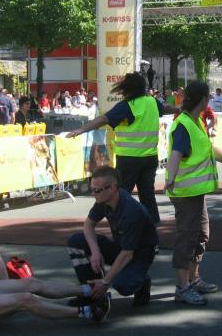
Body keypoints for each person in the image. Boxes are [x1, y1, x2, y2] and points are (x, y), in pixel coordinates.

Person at [165, 81, 222, 305]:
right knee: (187, 237)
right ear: (203, 100)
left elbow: (208, 149)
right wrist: (170, 177)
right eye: (208, 97)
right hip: (185, 193)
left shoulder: (195, 121)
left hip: (195, 192)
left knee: (201, 234)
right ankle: (182, 287)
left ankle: (193, 279)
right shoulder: (184, 124)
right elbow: (176, 153)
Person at [66, 72, 179, 225]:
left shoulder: (127, 106)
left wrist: (80, 130)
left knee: (118, 194)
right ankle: (152, 231)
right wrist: (180, 109)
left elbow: (104, 119)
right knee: (147, 195)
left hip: (129, 159)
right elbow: (165, 108)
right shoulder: (152, 102)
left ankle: (115, 225)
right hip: (150, 158)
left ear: (128, 89)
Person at [66, 165, 157, 310]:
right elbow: (88, 225)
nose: (93, 193)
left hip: (139, 253)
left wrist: (105, 282)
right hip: (122, 247)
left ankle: (142, 281)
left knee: (123, 285)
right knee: (76, 241)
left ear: (112, 188)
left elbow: (128, 254)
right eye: (92, 189)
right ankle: (91, 294)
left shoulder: (131, 212)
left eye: (97, 190)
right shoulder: (103, 200)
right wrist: (95, 252)